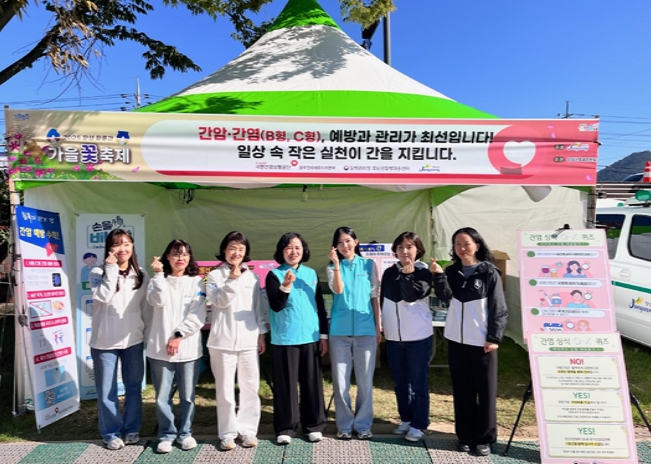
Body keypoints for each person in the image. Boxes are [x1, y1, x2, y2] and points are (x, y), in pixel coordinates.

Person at [431, 227, 508, 457]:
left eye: (466, 243)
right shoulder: (452, 271)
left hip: (482, 342)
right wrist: (438, 275)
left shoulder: (489, 272)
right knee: (462, 390)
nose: (462, 248)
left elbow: (498, 307)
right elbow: (444, 297)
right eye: (457, 244)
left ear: (477, 245)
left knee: (485, 391)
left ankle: (484, 439)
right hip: (457, 339)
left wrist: (494, 337)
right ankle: (464, 436)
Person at [265, 232, 328, 445]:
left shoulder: (311, 273)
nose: (294, 251)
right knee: (286, 385)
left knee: (312, 383)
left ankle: (314, 425)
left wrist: (323, 335)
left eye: (298, 247)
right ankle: (286, 427)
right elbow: (276, 305)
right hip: (285, 338)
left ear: (304, 250)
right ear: (281, 251)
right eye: (289, 247)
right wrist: (285, 285)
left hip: (310, 336)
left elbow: (319, 306)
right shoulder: (274, 275)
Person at [206, 231, 268, 451]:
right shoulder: (215, 276)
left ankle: (248, 431)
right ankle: (227, 434)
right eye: (232, 248)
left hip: (248, 340)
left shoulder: (252, 277)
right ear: (224, 250)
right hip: (222, 342)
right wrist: (232, 279)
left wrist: (261, 334)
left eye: (241, 249)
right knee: (225, 391)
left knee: (250, 388)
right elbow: (218, 302)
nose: (236, 253)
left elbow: (258, 309)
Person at [89, 229, 150, 450]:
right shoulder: (97, 271)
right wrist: (112, 269)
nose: (122, 249)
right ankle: (111, 432)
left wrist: (147, 334)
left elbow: (145, 308)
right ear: (109, 248)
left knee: (133, 387)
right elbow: (103, 297)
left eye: (126, 244)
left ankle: (132, 429)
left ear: (132, 246)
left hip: (133, 339)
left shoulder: (141, 274)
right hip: (104, 341)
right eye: (116, 244)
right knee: (107, 390)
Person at [146, 239, 206, 454]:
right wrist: (158, 275)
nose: (180, 258)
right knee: (162, 396)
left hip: (188, 347)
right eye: (175, 254)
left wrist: (179, 335)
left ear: (190, 258)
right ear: (167, 257)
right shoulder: (156, 281)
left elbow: (198, 314)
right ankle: (166, 434)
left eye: (184, 254)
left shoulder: (197, 282)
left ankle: (185, 433)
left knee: (188, 395)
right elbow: (157, 301)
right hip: (159, 347)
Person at [327, 226, 381, 440]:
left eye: (348, 241)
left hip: (366, 331)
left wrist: (377, 326)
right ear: (335, 247)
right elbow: (338, 290)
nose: (345, 246)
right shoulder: (332, 267)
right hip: (339, 332)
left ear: (356, 242)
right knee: (340, 382)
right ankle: (344, 425)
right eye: (340, 243)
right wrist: (337, 265)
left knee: (365, 382)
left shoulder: (368, 265)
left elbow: (374, 296)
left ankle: (363, 425)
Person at [380, 231, 433, 443]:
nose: (405, 251)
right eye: (400, 247)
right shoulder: (389, 272)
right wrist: (383, 326)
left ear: (418, 250)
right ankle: (406, 418)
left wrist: (407, 276)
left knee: (419, 383)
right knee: (401, 383)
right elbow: (383, 300)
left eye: (409, 247)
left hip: (418, 337)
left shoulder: (424, 272)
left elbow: (411, 296)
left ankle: (419, 424)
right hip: (394, 337)